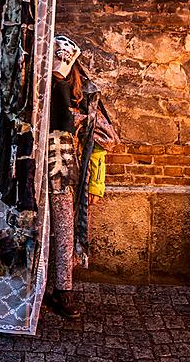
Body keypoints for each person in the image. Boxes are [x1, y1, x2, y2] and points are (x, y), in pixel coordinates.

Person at [46, 35, 108, 320]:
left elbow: (102, 136)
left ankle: (63, 290)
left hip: (63, 163)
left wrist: (96, 180)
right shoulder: (36, 85)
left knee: (63, 228)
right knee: (34, 227)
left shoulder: (84, 92)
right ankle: (35, 290)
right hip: (32, 163)